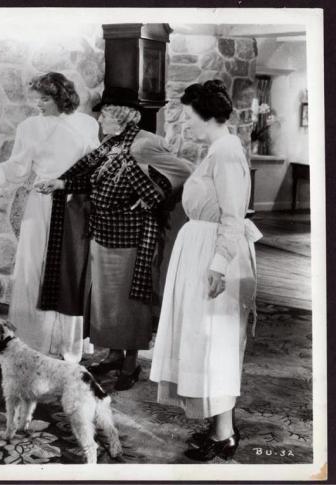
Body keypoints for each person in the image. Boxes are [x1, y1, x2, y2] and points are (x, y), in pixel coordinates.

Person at [37, 87, 193, 391]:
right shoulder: (112, 143)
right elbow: (92, 177)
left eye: (104, 114)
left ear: (120, 115)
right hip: (101, 234)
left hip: (130, 238)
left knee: (130, 304)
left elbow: (185, 171)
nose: (99, 119)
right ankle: (114, 355)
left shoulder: (143, 144)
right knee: (105, 303)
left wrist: (153, 196)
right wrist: (61, 183)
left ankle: (130, 365)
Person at [149, 80, 262, 461]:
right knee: (204, 342)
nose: (187, 123)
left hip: (214, 253)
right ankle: (219, 425)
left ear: (207, 116)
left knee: (215, 344)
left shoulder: (226, 152)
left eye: (190, 117)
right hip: (202, 248)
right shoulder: (219, 149)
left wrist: (218, 265)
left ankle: (225, 435)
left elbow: (232, 216)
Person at [0, 72, 100, 363]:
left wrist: (73, 187)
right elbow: (18, 167)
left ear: (62, 97)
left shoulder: (87, 124)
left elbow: (95, 166)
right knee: (32, 265)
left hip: (74, 204)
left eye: (45, 98)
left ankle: (67, 343)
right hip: (41, 203)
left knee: (69, 270)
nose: (38, 104)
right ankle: (32, 338)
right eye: (37, 98)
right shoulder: (29, 127)